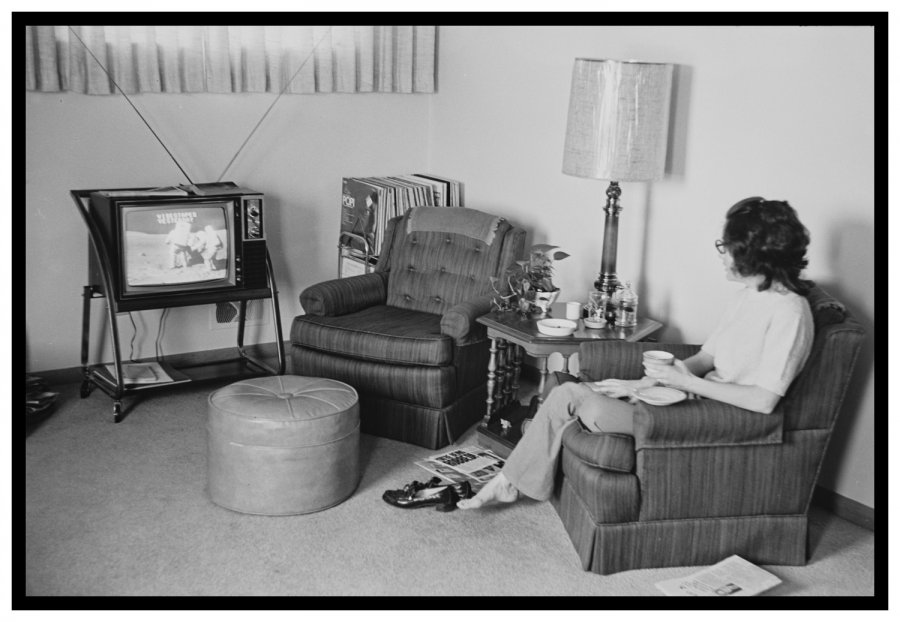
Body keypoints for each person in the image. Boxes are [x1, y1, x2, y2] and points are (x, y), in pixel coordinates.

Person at [458, 197, 815, 510]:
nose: (723, 254)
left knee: (571, 395)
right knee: (562, 383)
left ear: (755, 253)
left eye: (729, 246)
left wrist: (680, 382)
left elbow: (763, 401)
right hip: (684, 398)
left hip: (711, 418)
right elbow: (706, 359)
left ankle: (508, 482)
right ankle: (518, 474)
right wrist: (646, 383)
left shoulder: (790, 313)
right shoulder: (749, 296)